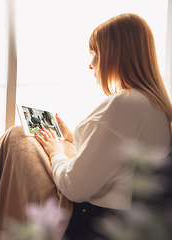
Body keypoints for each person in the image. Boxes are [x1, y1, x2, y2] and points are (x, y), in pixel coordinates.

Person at [35, 13, 172, 239]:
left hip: (95, 221)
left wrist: (56, 153)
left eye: (94, 53)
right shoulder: (156, 106)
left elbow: (74, 187)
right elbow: (116, 163)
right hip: (126, 220)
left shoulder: (125, 104)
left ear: (115, 54)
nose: (90, 64)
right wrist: (74, 138)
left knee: (17, 139)